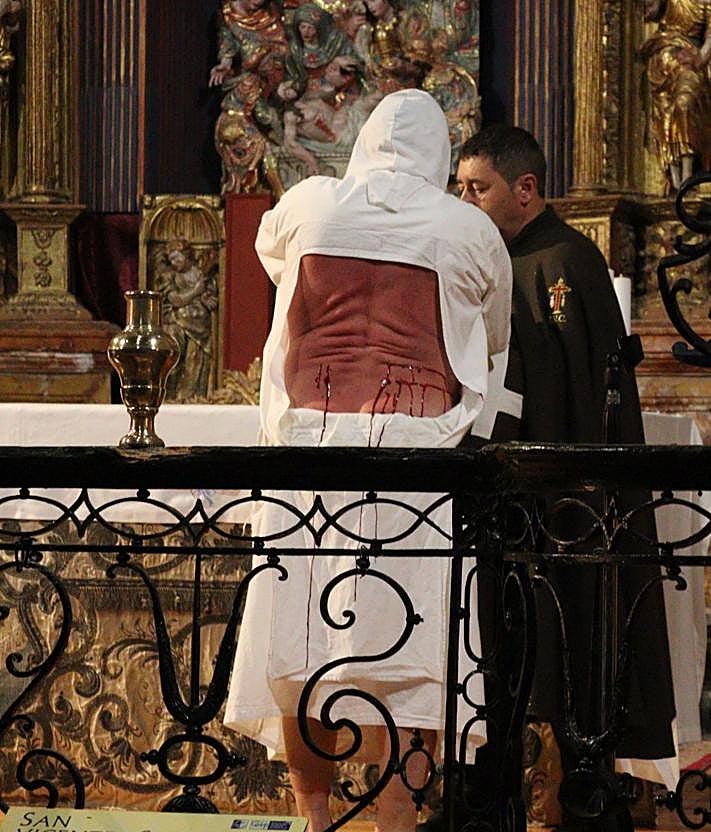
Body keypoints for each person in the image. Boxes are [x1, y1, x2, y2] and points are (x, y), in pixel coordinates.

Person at [224, 89, 512, 832]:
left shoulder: (311, 202)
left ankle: (315, 819)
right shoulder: (467, 227)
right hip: (411, 460)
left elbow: (269, 254)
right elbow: (496, 329)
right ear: (440, 157)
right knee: (410, 654)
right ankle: (396, 819)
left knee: (298, 656)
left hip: (310, 449)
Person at [453, 125, 676, 828]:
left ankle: (573, 793)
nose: (464, 199)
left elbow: (568, 383)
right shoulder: (499, 255)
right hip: (517, 495)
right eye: (457, 186)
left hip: (564, 493)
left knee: (573, 637)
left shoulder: (560, 259)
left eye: (476, 187)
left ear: (524, 188)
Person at [641, 0, 711, 190]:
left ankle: (688, 178)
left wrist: (700, 58)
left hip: (688, 63)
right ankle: (675, 180)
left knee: (684, 105)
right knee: (664, 116)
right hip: (660, 61)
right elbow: (652, 10)